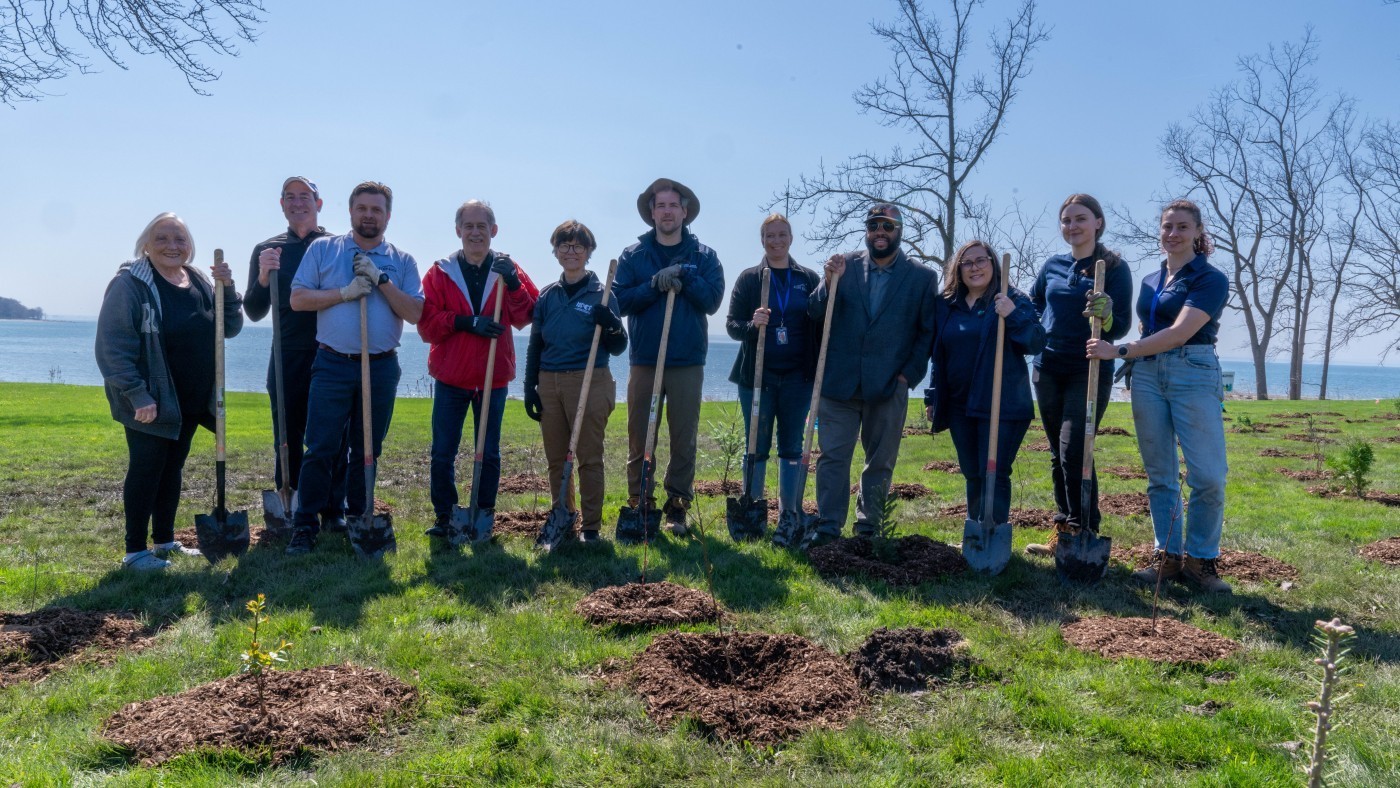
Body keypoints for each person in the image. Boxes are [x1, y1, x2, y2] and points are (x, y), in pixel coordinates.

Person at [1087, 199, 1232, 593]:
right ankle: (1166, 557)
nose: (1173, 234)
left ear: (1199, 232)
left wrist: (1118, 351)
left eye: (1182, 227)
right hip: (1148, 375)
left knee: (1208, 476)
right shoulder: (1151, 279)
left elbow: (1180, 331)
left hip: (1193, 371)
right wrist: (1110, 318)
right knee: (1160, 475)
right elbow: (1145, 326)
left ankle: (1201, 561)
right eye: (1167, 226)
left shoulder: (1210, 278)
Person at [96, 212, 243, 570]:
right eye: (162, 238)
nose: (172, 246)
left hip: (189, 399)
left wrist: (228, 289)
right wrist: (136, 393)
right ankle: (135, 552)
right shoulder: (130, 284)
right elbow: (113, 347)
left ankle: (163, 541)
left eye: (179, 239)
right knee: (146, 469)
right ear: (146, 244)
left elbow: (231, 327)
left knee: (171, 468)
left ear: (190, 246)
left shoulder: (198, 279)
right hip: (151, 400)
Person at [286, 181, 423, 555]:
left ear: (387, 216)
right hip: (332, 363)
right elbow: (298, 299)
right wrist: (345, 293)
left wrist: (381, 281)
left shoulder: (403, 260)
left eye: (376, 210)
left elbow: (414, 313)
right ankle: (305, 525)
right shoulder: (323, 250)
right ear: (350, 212)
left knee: (367, 447)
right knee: (320, 446)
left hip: (380, 367)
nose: (368, 215)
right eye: (362, 208)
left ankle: (358, 517)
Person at [803, 204, 938, 550]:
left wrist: (909, 376)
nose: (881, 231)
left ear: (900, 230)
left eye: (888, 226)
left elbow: (926, 333)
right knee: (832, 457)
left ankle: (868, 528)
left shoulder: (922, 277)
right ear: (867, 230)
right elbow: (815, 312)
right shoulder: (843, 266)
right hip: (839, 383)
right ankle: (829, 526)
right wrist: (827, 281)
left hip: (889, 384)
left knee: (879, 460)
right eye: (874, 225)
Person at [417, 200, 538, 539]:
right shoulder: (440, 273)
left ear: (493, 231)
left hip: (492, 378)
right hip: (452, 378)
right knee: (443, 451)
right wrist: (465, 322)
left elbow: (527, 315)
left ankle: (484, 513)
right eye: (468, 226)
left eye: (481, 226)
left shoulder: (506, 268)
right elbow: (427, 325)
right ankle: (445, 517)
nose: (474, 233)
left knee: (489, 450)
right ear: (458, 231)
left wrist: (513, 283)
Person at [614, 178, 725, 539]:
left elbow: (711, 302)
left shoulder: (704, 256)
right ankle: (639, 504)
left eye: (672, 205)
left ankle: (677, 506)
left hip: (687, 361)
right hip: (645, 359)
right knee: (640, 436)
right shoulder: (634, 256)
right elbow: (620, 302)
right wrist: (652, 285)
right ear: (651, 212)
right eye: (660, 205)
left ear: (685, 211)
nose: (666, 211)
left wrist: (685, 279)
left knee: (683, 438)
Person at [1024, 194, 1133, 555]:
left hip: (1089, 368)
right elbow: (1035, 301)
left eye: (1080, 219)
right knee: (1057, 452)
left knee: (1076, 449)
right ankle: (1063, 531)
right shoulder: (1053, 265)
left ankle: (1084, 529)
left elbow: (1121, 328)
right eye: (1066, 220)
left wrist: (1108, 313)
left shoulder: (1114, 268)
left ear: (1098, 222)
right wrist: (1036, 327)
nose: (1072, 226)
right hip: (1047, 366)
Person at [243, 176, 347, 530]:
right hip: (287, 353)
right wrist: (262, 276)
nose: (298, 202)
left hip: (331, 352)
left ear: (319, 204)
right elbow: (254, 311)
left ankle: (334, 509)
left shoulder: (337, 246)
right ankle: (291, 505)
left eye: (305, 196)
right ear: (282, 204)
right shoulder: (267, 249)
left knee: (332, 436)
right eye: (290, 197)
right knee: (286, 435)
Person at [925, 240, 1045, 529]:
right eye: (967, 263)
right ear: (958, 269)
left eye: (981, 261)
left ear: (993, 264)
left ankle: (993, 529)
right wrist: (932, 396)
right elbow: (938, 354)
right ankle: (975, 529)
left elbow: (1036, 340)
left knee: (993, 471)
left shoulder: (1011, 298)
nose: (974, 267)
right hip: (958, 403)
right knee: (972, 472)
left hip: (1001, 403)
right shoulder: (947, 305)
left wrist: (1012, 313)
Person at [523, 220, 627, 544]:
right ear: (555, 252)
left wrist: (610, 324)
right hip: (550, 382)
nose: (571, 251)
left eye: (578, 246)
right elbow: (536, 344)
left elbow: (619, 345)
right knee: (556, 459)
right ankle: (563, 519)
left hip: (589, 381)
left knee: (588, 457)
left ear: (588, 252)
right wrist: (529, 387)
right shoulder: (547, 297)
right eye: (564, 245)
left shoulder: (603, 293)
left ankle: (592, 528)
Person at [724, 213, 820, 533]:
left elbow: (820, 322)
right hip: (757, 379)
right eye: (770, 236)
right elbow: (733, 326)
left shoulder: (807, 278)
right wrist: (753, 325)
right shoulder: (750, 279)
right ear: (762, 240)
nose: (776, 241)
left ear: (791, 238)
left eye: (782, 235)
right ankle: (752, 510)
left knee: (792, 445)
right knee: (756, 445)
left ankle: (789, 514)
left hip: (797, 379)